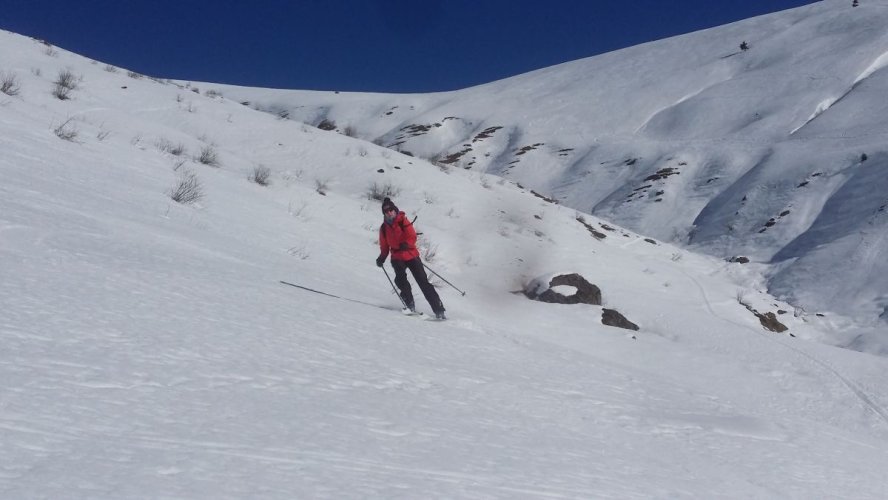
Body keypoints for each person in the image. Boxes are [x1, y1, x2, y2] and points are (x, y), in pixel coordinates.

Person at [376, 197, 446, 320]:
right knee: (401, 281)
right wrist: (381, 257)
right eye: (386, 211)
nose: (389, 213)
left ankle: (439, 310)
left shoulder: (403, 220)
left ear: (394, 209)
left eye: (390, 210)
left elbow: (412, 236)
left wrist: (406, 244)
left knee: (423, 282)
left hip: (411, 255)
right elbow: (384, 246)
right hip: (397, 257)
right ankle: (409, 305)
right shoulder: (383, 228)